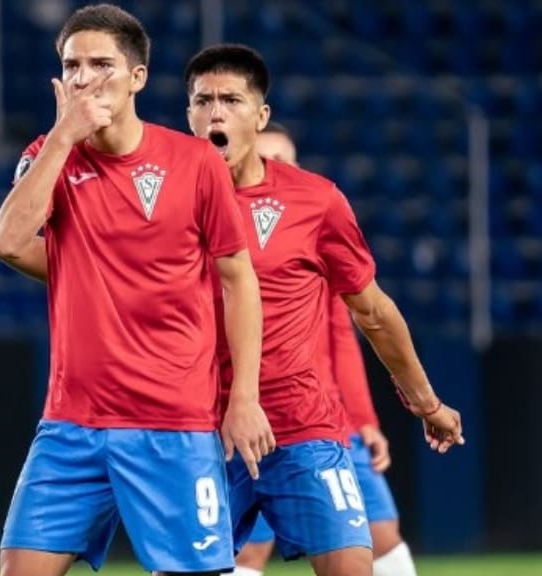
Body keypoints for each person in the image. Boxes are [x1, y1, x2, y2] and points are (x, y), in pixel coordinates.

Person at [0, 5, 273, 576]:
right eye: (72, 66)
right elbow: (8, 238)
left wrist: (243, 397)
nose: (84, 78)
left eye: (101, 64)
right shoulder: (48, 153)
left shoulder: (196, 161)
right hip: (72, 422)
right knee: (19, 569)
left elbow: (237, 280)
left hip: (172, 422)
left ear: (137, 77)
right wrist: (62, 136)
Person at [184, 44, 463, 576]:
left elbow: (374, 312)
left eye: (231, 100)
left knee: (357, 563)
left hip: (303, 431)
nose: (216, 112)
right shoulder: (168, 198)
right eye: (203, 100)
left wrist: (426, 403)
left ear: (260, 115)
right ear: (189, 113)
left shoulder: (316, 201)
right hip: (200, 437)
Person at [232, 129, 419, 576]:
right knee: (248, 553)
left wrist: (365, 419)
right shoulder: (224, 241)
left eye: (285, 158)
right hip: (251, 417)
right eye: (266, 156)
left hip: (328, 422)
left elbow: (343, 341)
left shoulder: (313, 235)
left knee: (382, 535)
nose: (275, 164)